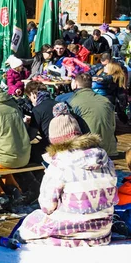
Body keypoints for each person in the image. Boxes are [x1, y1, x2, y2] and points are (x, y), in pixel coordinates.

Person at [15, 103, 118, 247]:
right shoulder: (105, 160)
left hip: (70, 232)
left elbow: (47, 206)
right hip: (102, 231)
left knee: (27, 223)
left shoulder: (59, 165)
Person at [68, 73, 117, 157]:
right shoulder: (106, 100)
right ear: (91, 84)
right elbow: (113, 125)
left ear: (75, 84)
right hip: (109, 149)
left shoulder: (72, 101)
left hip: (88, 151)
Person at [25, 81, 57, 164]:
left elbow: (31, 136)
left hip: (49, 148)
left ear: (33, 94)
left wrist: (26, 125)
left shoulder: (38, 110)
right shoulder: (59, 104)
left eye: (30, 97)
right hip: (64, 145)